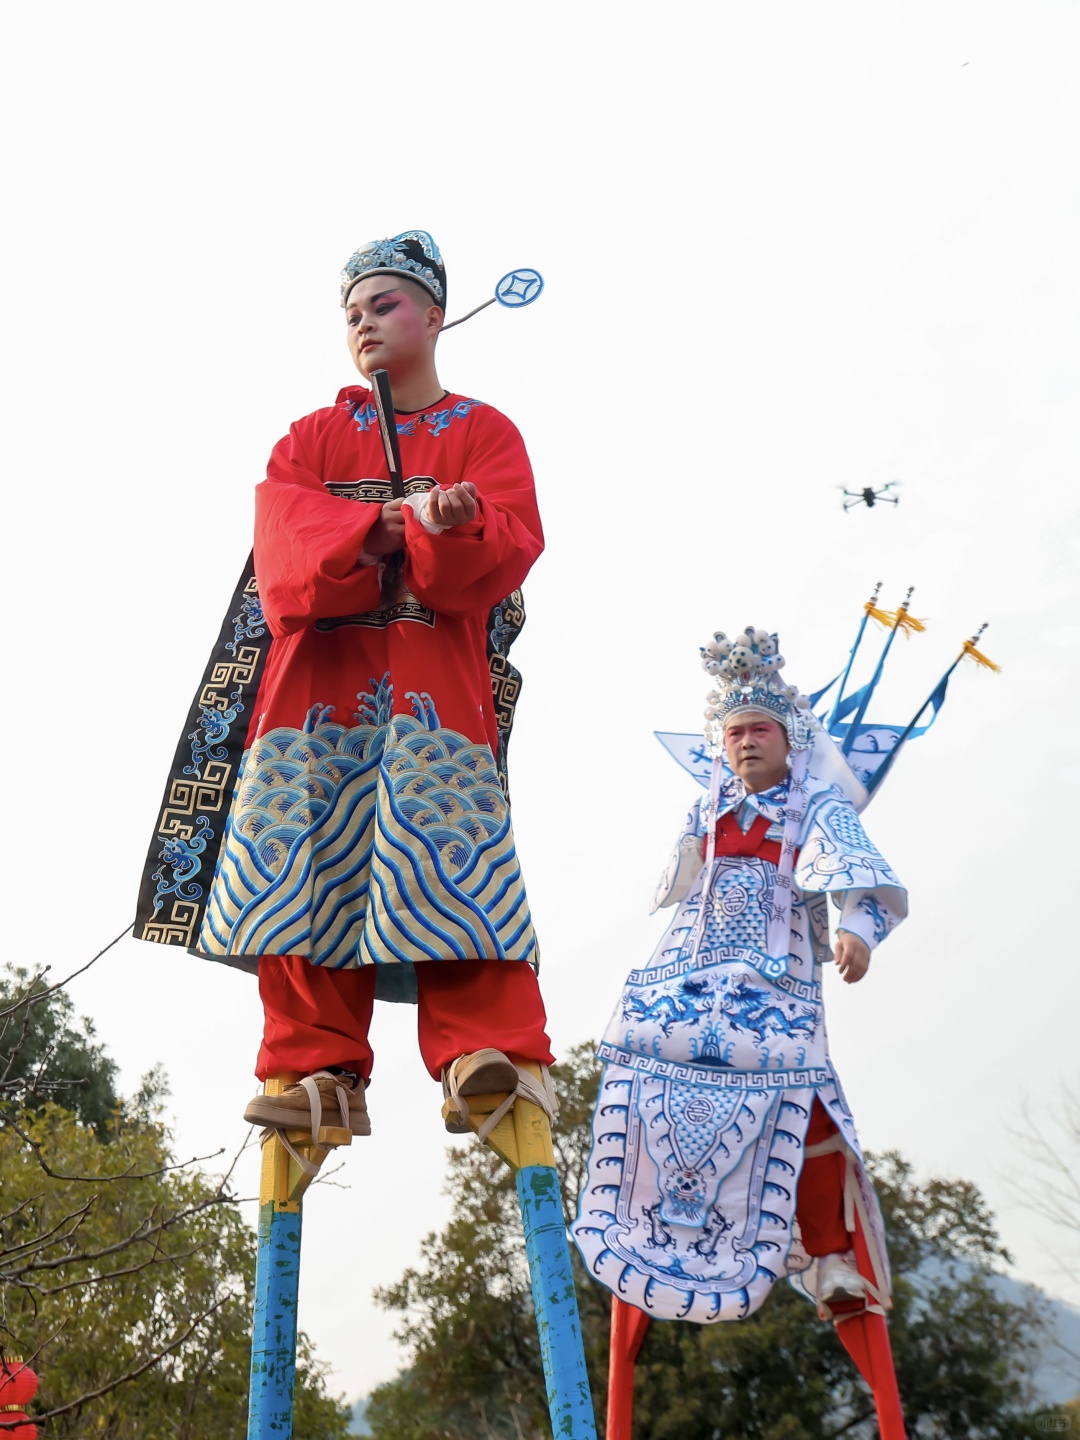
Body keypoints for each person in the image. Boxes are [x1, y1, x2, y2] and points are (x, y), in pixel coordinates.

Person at [135, 230, 554, 1138]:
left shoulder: (484, 432)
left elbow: (511, 545)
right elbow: (283, 541)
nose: (364, 323)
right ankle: (315, 1066)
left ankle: (486, 1046)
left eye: (386, 304)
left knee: (445, 839)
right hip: (314, 691)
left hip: (431, 692)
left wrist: (455, 522)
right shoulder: (316, 435)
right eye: (352, 312)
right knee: (303, 847)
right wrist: (389, 530)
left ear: (435, 315)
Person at [572, 626, 907, 1321]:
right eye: (734, 734)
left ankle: (827, 1254)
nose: (747, 742)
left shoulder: (818, 806)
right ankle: (645, 1230)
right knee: (641, 1092)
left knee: (805, 1107)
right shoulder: (705, 808)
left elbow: (863, 876)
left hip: (775, 989)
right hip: (687, 983)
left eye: (760, 730)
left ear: (789, 740)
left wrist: (854, 930)